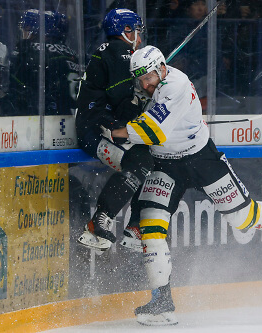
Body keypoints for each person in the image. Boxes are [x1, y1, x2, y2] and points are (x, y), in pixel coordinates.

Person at [110, 46, 262, 326]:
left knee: (241, 218)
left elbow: (152, 131)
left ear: (161, 68)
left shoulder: (177, 84)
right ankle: (162, 301)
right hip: (165, 165)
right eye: (141, 80)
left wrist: (112, 132)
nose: (145, 84)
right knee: (151, 228)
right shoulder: (147, 87)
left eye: (148, 77)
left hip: (201, 159)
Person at [75, 8, 153, 252]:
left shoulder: (112, 52)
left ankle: (134, 226)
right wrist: (142, 94)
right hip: (95, 132)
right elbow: (122, 106)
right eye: (136, 31)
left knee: (148, 163)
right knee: (141, 164)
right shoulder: (120, 52)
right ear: (125, 31)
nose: (139, 38)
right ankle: (99, 222)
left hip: (100, 127)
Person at [6, 9, 80, 116]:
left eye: (26, 28)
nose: (24, 33)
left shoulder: (30, 50)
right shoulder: (74, 54)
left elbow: (16, 87)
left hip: (47, 120)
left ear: (38, 31)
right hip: (73, 117)